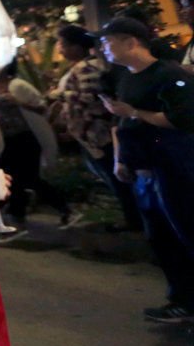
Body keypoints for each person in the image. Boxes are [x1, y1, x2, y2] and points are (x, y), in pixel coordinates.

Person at [99, 17, 194, 323]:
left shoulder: (168, 73)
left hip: (175, 166)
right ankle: (181, 301)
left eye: (108, 41)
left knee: (187, 232)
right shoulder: (124, 77)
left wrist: (135, 112)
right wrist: (120, 160)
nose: (103, 47)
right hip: (144, 171)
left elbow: (183, 119)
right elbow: (122, 123)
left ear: (131, 42)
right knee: (160, 237)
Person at [0, 62, 77, 231]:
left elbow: (42, 108)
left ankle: (61, 210)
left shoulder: (18, 85)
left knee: (29, 178)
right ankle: (18, 218)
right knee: (10, 178)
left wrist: (18, 103)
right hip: (7, 140)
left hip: (27, 137)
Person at [51, 25, 142, 230]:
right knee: (115, 180)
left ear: (76, 46)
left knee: (119, 181)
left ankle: (136, 222)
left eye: (62, 44)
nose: (59, 48)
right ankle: (135, 219)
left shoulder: (86, 67)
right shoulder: (82, 66)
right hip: (91, 135)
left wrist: (59, 95)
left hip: (98, 135)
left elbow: (93, 97)